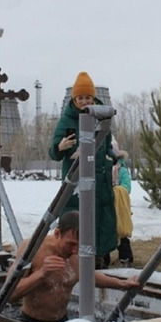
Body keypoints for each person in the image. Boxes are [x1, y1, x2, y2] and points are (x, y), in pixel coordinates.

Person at [8, 210, 139, 322]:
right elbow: (10, 294)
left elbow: (90, 276)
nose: (75, 250)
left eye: (79, 245)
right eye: (71, 244)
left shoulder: (78, 254)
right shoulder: (33, 249)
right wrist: (41, 274)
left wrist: (121, 284)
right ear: (57, 234)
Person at [49, 71, 118, 269]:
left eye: (88, 97)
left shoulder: (100, 116)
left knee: (102, 218)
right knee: (78, 218)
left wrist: (113, 158)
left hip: (100, 177)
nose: (84, 101)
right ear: (75, 99)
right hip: (77, 177)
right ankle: (77, 257)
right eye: (80, 98)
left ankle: (99, 256)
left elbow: (106, 143)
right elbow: (54, 151)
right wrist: (59, 147)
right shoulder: (67, 120)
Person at [112, 143, 134, 267]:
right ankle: (102, 259)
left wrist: (115, 190)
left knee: (122, 234)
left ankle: (126, 258)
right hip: (105, 206)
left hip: (119, 207)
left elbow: (127, 187)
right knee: (105, 233)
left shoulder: (122, 171)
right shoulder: (101, 169)